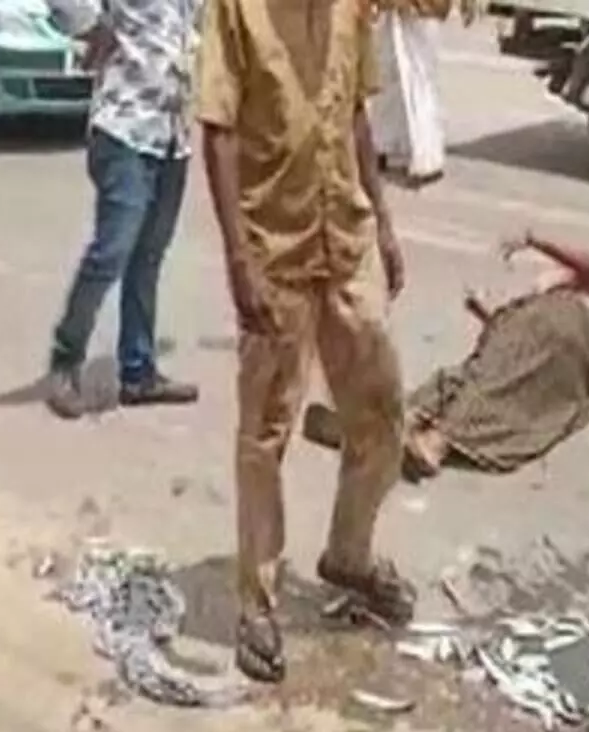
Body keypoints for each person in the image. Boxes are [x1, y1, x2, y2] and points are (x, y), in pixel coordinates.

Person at [197, 0, 413, 683]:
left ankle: (348, 556)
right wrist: (239, 262)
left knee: (382, 412)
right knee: (265, 434)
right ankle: (257, 602)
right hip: (275, 252)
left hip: (344, 243)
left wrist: (382, 221)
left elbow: (353, 114)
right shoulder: (236, 8)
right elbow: (219, 133)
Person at [301, 232, 589, 479]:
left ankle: (430, 440)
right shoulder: (562, 296)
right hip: (518, 338)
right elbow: (513, 336)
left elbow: (587, 265)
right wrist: (483, 309)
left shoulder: (583, 299)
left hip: (530, 343)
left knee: (481, 382)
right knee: (463, 379)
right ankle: (395, 426)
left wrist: (532, 237)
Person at [42, 0, 202, 419]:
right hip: (124, 125)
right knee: (111, 252)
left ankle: (138, 370)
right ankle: (65, 361)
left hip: (172, 132)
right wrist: (93, 30)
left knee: (148, 257)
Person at [370, 0, 451, 187]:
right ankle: (385, 144)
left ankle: (425, 156)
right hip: (400, 15)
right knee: (390, 78)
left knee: (416, 83)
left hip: (418, 16)